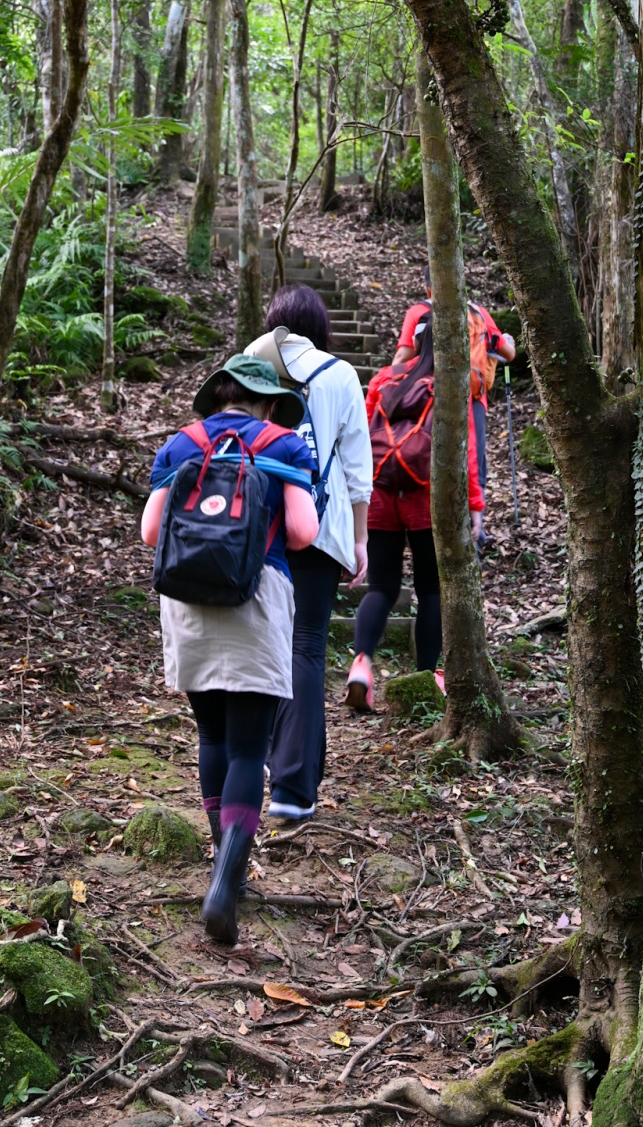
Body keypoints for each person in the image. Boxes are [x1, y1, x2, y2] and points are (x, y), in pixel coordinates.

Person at [141, 354, 318, 944]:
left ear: (218, 396)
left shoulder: (181, 443)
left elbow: (149, 532)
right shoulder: (285, 445)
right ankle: (227, 878)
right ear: (267, 401)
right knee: (249, 748)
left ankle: (222, 859)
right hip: (256, 596)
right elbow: (302, 534)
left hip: (188, 598)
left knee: (212, 736)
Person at [245, 284, 372, 821]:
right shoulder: (341, 373)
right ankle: (296, 788)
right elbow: (357, 469)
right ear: (319, 325)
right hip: (319, 527)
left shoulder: (252, 358)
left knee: (270, 643)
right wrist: (361, 539)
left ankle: (280, 763)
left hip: (259, 522)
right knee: (308, 649)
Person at [345, 319, 484, 710]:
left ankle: (361, 664)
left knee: (381, 588)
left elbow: (362, 436)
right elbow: (467, 450)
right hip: (426, 497)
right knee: (431, 590)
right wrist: (475, 506)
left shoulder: (384, 379)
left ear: (417, 343)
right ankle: (429, 676)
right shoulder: (452, 385)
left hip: (380, 493)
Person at [392, 266, 514, 513]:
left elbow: (404, 355)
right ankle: (474, 522)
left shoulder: (419, 312)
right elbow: (508, 354)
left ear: (428, 287)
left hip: (426, 396)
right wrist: (509, 341)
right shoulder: (478, 313)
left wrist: (391, 383)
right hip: (473, 396)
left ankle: (426, 514)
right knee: (472, 457)